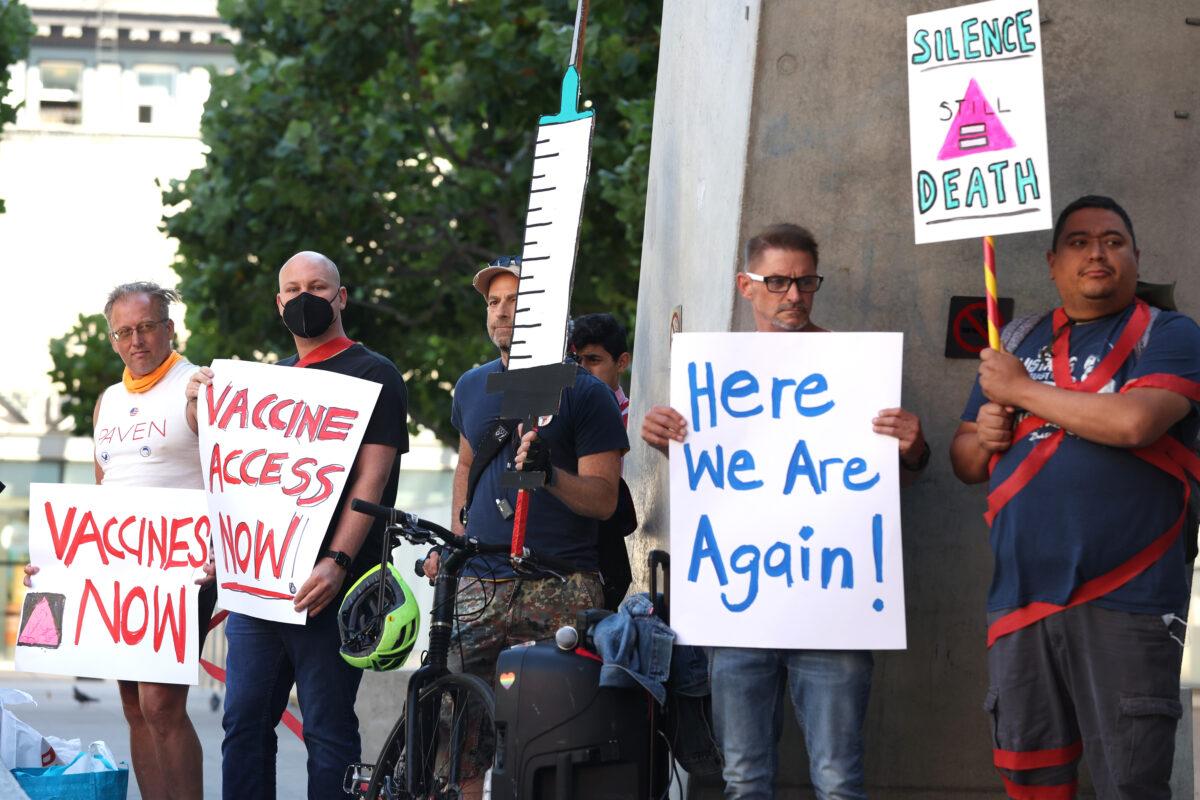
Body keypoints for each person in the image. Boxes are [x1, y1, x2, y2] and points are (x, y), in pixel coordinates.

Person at [640, 224, 929, 799]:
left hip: (833, 611)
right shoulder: (714, 376)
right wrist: (661, 434)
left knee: (838, 780)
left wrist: (914, 446)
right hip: (740, 613)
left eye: (805, 281)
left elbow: (892, 476)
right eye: (777, 281)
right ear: (746, 286)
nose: (793, 294)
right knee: (744, 779)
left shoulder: (853, 371)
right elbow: (705, 471)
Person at [949, 196, 1200, 799]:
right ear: (1053, 262)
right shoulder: (1018, 337)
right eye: (1080, 242)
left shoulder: (1171, 334)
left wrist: (1020, 390)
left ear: (1135, 258)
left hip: (1128, 600)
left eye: (1113, 241)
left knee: (1130, 784)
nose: (1097, 253)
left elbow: (1135, 423)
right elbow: (964, 460)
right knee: (1031, 781)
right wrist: (982, 435)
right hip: (1020, 598)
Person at [186, 251, 409, 799]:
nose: (304, 296)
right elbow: (235, 477)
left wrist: (336, 563)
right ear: (279, 302)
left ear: (341, 297)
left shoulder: (374, 373)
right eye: (293, 288)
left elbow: (371, 481)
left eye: (318, 285)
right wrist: (200, 403)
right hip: (259, 592)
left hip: (333, 589)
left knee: (328, 730)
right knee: (242, 726)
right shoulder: (268, 382)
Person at [27, 281, 215, 800]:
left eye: (147, 327)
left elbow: (228, 478)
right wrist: (57, 561)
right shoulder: (107, 401)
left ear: (169, 329)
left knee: (160, 704)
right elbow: (101, 494)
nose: (137, 340)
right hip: (121, 575)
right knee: (132, 705)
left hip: (183, 572)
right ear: (113, 339)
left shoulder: (196, 386)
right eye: (124, 331)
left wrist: (223, 552)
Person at [424, 256, 627, 681]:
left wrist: (550, 475)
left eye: (515, 299)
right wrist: (457, 545)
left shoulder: (588, 393)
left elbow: (605, 500)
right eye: (493, 301)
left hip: (560, 582)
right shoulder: (470, 385)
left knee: (554, 730)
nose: (500, 310)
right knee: (451, 721)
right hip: (478, 584)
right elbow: (465, 465)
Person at [570, 312, 631, 426]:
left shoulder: (636, 423)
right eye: (576, 360)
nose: (581, 370)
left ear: (622, 363)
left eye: (593, 360)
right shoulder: (554, 419)